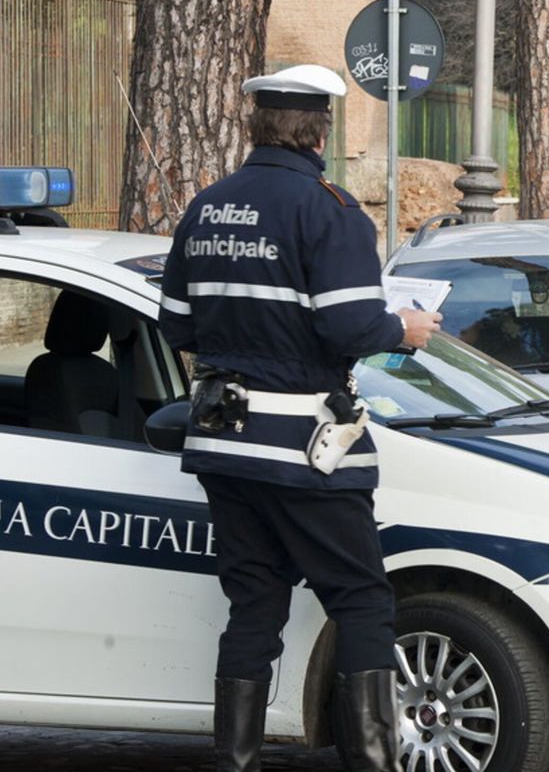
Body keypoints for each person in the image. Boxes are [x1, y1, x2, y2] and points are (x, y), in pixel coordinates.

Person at [159, 64, 443, 772]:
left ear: (258, 125)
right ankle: (376, 763)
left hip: (224, 442)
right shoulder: (331, 209)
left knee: (255, 603)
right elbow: (349, 326)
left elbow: (175, 325)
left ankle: (235, 761)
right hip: (308, 448)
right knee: (361, 599)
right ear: (320, 131)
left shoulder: (208, 206)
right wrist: (401, 328)